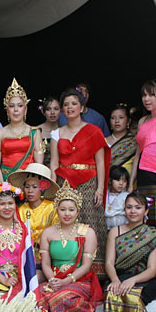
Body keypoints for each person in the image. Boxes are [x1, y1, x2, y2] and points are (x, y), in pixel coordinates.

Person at [50, 88, 110, 277]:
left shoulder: (94, 131)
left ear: (82, 107)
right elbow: (53, 162)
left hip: (89, 182)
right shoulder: (56, 134)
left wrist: (100, 189)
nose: (70, 107)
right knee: (66, 223)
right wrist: (53, 188)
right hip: (64, 183)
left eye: (74, 103)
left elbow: (100, 161)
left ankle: (96, 272)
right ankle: (68, 268)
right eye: (66, 104)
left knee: (91, 222)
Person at [37, 181, 102, 312]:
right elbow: (46, 264)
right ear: (56, 210)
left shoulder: (87, 232)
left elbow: (86, 265)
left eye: (71, 210)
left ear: (78, 210)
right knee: (34, 297)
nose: (67, 214)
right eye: (63, 209)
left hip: (79, 280)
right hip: (54, 279)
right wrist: (52, 280)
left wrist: (66, 281)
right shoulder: (48, 233)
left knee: (61, 298)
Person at [103, 193, 156, 312]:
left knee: (133, 296)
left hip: (146, 278)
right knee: (113, 293)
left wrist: (132, 281)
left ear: (146, 211)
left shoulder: (153, 234)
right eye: (129, 207)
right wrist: (115, 280)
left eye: (138, 207)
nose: (133, 211)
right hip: (121, 276)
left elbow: (152, 269)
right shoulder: (115, 231)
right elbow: (109, 262)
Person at [8, 163, 59, 282]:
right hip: (22, 256)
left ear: (43, 187)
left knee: (33, 279)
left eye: (35, 187)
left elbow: (56, 235)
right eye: (27, 186)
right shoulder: (20, 209)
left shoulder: (52, 208)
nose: (30, 191)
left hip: (46, 258)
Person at [0, 79, 44, 182]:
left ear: (25, 109)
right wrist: (3, 187)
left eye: (20, 106)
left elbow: (39, 166)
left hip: (29, 182)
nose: (16, 110)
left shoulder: (35, 132)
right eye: (12, 106)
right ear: (7, 109)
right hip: (7, 181)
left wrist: (32, 185)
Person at [130, 80, 156, 225]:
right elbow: (138, 154)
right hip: (144, 175)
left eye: (151, 95)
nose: (146, 99)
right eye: (144, 95)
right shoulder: (142, 122)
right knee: (146, 218)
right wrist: (131, 183)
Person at [106, 104, 137, 177]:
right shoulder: (102, 142)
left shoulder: (134, 142)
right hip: (105, 186)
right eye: (113, 118)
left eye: (121, 117)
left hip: (128, 185)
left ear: (128, 121)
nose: (117, 121)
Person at [105, 166, 130, 230]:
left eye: (124, 181)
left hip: (121, 229)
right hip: (105, 229)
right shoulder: (104, 194)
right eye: (118, 180)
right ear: (110, 180)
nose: (121, 183)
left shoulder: (127, 196)